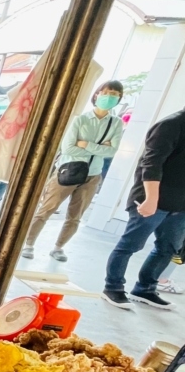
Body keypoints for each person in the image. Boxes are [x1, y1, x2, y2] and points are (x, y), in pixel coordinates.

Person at [22, 80, 125, 262]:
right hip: (68, 170)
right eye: (107, 92)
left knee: (75, 216)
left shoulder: (115, 123)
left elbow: (112, 151)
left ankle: (58, 247)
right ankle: (29, 243)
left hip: (92, 174)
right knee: (47, 208)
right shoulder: (81, 119)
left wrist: (85, 144)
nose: (110, 97)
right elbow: (68, 148)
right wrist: (99, 147)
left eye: (115, 95)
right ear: (97, 94)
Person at [103, 108, 185, 310]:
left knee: (167, 249)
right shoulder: (171, 124)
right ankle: (113, 287)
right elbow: (151, 163)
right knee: (131, 244)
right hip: (152, 197)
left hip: (180, 203)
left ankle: (145, 289)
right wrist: (151, 199)